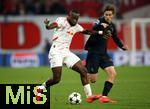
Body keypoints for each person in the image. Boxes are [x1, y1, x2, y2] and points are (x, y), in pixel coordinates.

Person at [35, 10, 102, 103]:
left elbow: (87, 31)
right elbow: (53, 25)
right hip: (56, 52)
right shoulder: (61, 21)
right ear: (68, 16)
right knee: (56, 79)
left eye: (77, 19)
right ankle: (40, 88)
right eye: (73, 18)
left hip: (66, 52)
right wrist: (47, 25)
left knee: (83, 71)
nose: (75, 21)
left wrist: (100, 32)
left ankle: (89, 96)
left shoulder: (77, 27)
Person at [85, 5, 128, 103]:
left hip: (103, 54)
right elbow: (93, 28)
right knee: (93, 80)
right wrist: (101, 26)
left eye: (109, 15)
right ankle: (85, 67)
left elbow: (115, 38)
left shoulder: (112, 26)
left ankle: (104, 97)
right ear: (103, 14)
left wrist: (122, 46)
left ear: (113, 15)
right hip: (93, 53)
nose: (107, 16)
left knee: (113, 74)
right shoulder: (99, 21)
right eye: (106, 14)